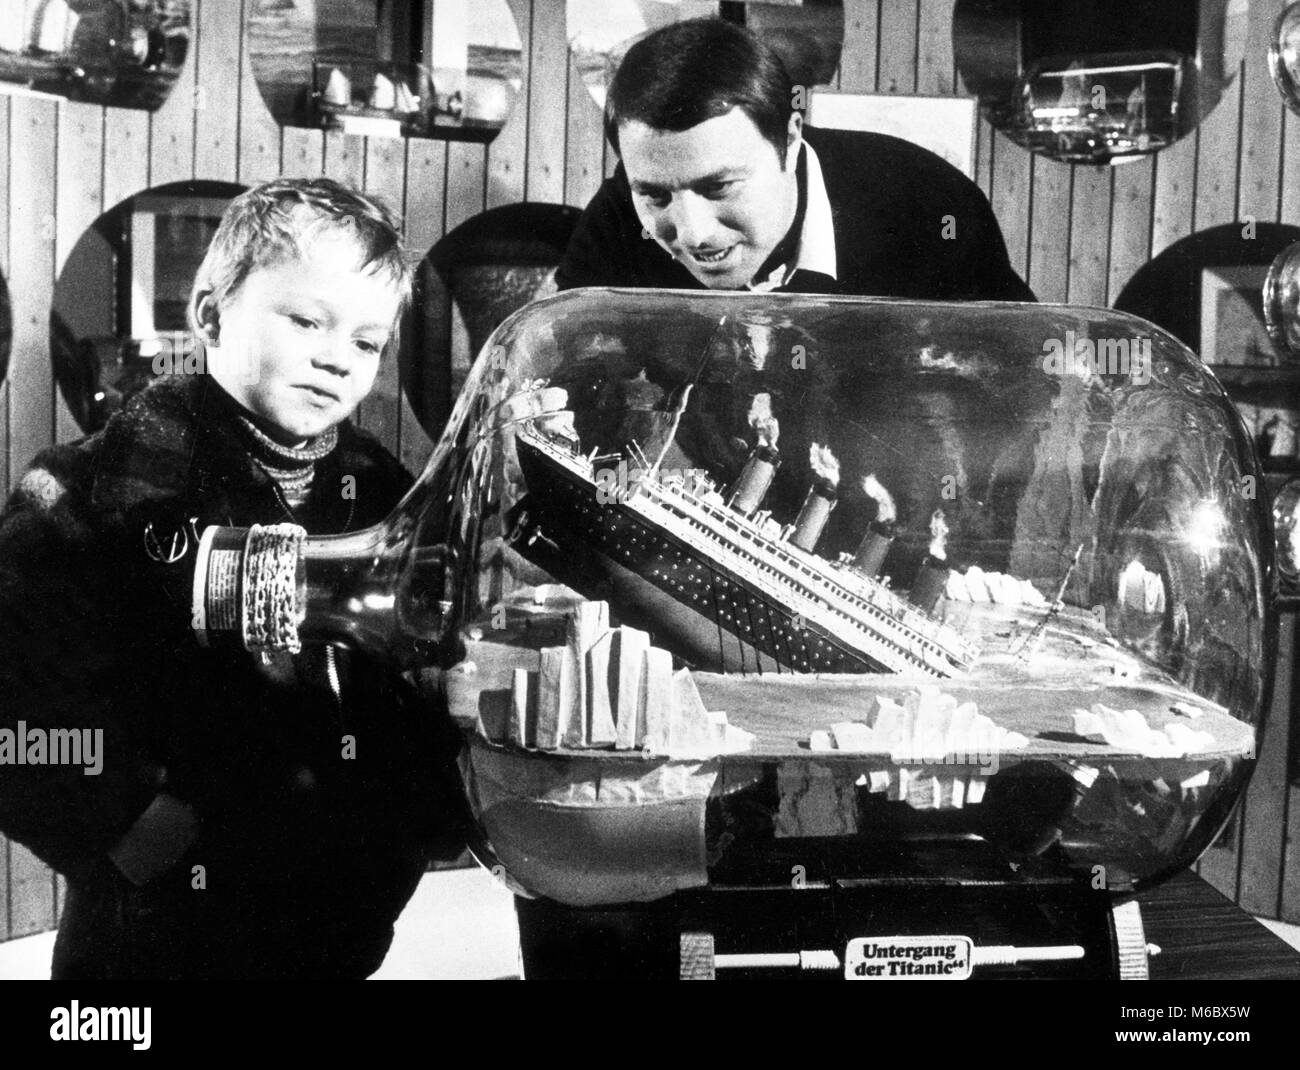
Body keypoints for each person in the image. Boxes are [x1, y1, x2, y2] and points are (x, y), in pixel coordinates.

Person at [0, 177, 467, 979]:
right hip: (149, 929)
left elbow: (419, 681)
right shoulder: (84, 493)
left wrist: (407, 833)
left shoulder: (390, 499)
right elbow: (14, 701)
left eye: (365, 342)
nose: (335, 357)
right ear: (211, 314)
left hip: (337, 920)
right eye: (305, 320)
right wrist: (129, 823)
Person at [557, 17, 1034, 302]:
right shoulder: (619, 215)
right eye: (655, 195)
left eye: (719, 187)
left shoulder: (931, 208)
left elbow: (1017, 386)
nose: (693, 232)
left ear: (790, 139)